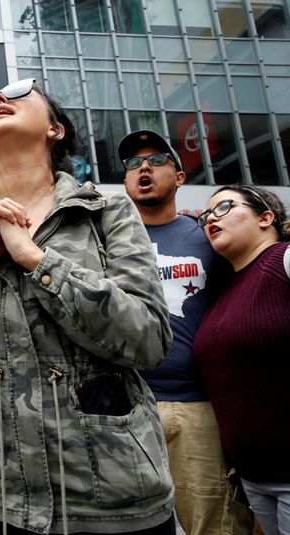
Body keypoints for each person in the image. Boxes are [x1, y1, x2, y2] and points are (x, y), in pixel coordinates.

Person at [0, 78, 174, 535]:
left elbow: (147, 338)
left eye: (16, 93)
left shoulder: (106, 213)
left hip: (112, 492)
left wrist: (36, 259)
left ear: (54, 129)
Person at [118, 131, 251, 535]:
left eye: (157, 159)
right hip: (124, 410)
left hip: (198, 408)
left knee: (213, 525)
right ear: (125, 182)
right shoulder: (106, 243)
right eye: (133, 164)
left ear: (179, 178)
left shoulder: (211, 238)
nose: (144, 167)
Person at [193, 185, 290, 535]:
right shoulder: (226, 288)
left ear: (266, 217)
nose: (210, 220)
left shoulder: (284, 259)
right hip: (254, 478)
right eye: (205, 216)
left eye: (224, 207)